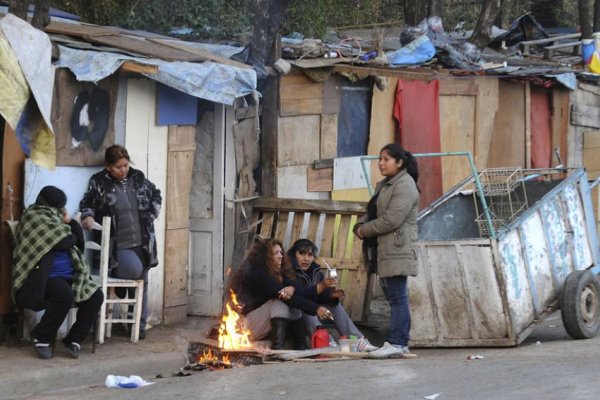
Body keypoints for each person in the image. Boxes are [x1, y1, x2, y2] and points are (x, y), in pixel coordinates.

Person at [79, 144, 161, 340]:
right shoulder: (98, 182)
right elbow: (87, 203)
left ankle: (137, 327)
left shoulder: (138, 177)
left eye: (125, 165)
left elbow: (156, 193)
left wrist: (152, 212)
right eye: (118, 167)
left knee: (143, 278)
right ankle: (134, 324)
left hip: (142, 241)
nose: (123, 170)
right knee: (137, 271)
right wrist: (88, 216)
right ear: (108, 166)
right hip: (117, 246)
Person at [12, 186, 104, 359]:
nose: (61, 211)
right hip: (42, 276)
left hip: (70, 274)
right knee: (64, 295)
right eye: (59, 208)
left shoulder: (56, 221)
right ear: (50, 206)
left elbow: (77, 243)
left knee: (96, 296)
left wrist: (70, 222)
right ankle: (41, 336)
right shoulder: (33, 217)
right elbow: (62, 242)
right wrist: (69, 233)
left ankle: (74, 339)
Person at [353, 143, 419, 358]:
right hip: (385, 249)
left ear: (399, 163)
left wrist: (365, 230)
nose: (380, 164)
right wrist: (360, 225)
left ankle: (398, 342)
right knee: (394, 297)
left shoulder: (405, 185)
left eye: (386, 159)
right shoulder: (386, 184)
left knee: (397, 297)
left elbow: (392, 219)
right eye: (379, 159)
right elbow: (373, 210)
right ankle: (398, 342)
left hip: (397, 248)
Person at [230, 238, 332, 350]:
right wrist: (316, 308)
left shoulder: (278, 273)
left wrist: (292, 287)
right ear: (265, 257)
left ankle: (300, 345)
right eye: (275, 253)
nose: (281, 256)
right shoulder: (258, 274)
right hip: (244, 328)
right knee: (280, 303)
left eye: (281, 252)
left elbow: (301, 292)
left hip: (260, 326)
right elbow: (284, 297)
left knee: (291, 302)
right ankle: (278, 349)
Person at [287, 238, 378, 352]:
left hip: (314, 312)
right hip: (296, 316)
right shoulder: (288, 270)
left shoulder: (315, 271)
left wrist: (331, 295)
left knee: (335, 306)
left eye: (310, 255)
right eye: (302, 253)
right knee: (306, 307)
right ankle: (326, 342)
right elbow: (299, 297)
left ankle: (359, 341)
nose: (306, 259)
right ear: (294, 254)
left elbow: (318, 297)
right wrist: (322, 286)